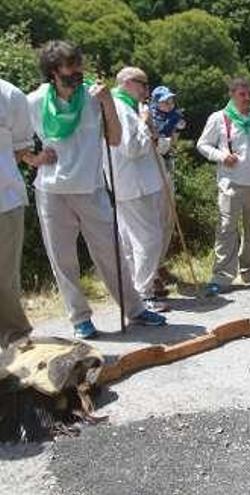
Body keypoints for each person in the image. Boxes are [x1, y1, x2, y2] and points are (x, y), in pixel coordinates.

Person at [23, 40, 166, 339]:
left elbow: (114, 140)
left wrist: (107, 104)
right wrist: (33, 158)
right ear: (53, 72)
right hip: (51, 190)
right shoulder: (34, 101)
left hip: (91, 187)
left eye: (79, 65)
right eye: (70, 67)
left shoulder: (93, 97)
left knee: (111, 252)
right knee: (62, 259)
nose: (77, 72)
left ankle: (135, 308)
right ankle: (80, 319)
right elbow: (13, 136)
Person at [197, 77, 250, 294]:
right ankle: (222, 276)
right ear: (232, 95)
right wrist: (222, 156)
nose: (248, 98)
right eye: (242, 94)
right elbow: (202, 145)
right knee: (226, 229)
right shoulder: (219, 118)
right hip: (231, 183)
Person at [105, 66, 168, 312]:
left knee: (132, 241)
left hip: (134, 182)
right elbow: (131, 148)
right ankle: (143, 294)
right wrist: (144, 123)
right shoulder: (120, 108)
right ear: (129, 82)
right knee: (150, 240)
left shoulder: (122, 105)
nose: (146, 90)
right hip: (134, 183)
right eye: (143, 84)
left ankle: (134, 293)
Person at [0, 78, 35, 348]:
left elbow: (22, 147)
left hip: (4, 201)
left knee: (4, 280)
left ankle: (15, 340)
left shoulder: (10, 95)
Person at [148, 84, 185, 296]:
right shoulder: (149, 118)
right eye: (164, 100)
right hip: (152, 174)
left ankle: (160, 264)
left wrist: (174, 133)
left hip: (167, 171)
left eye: (171, 100)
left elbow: (173, 145)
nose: (169, 104)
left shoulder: (174, 118)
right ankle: (152, 272)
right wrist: (169, 135)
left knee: (168, 221)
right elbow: (161, 145)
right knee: (154, 222)